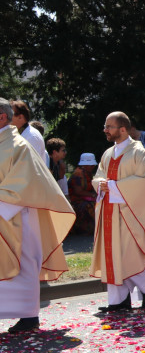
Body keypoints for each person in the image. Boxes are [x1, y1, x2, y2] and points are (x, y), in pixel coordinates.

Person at [0, 98, 75, 333]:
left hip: (18, 215)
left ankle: (29, 316)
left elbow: (24, 183)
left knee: (24, 265)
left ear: (2, 117)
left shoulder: (18, 145)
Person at [90, 112, 145, 311]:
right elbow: (99, 176)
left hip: (130, 213)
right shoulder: (107, 153)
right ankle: (118, 301)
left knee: (129, 254)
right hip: (109, 211)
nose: (105, 130)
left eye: (109, 126)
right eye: (105, 126)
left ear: (123, 129)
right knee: (112, 255)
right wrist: (100, 184)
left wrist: (115, 187)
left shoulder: (139, 153)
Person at [68, 153, 99, 234]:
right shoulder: (78, 174)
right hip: (76, 201)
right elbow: (78, 191)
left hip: (84, 199)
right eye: (91, 165)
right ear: (85, 165)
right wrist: (93, 195)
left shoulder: (88, 174)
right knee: (91, 206)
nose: (93, 166)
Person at [10, 100, 46, 165]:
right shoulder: (20, 133)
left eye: (9, 114)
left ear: (20, 117)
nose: (6, 118)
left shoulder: (32, 136)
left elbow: (32, 166)